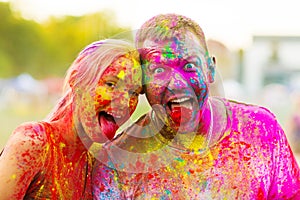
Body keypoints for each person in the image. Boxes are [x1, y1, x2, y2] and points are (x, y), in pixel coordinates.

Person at [93, 14, 300, 199]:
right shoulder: (116, 163)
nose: (176, 83)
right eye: (158, 71)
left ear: (210, 69)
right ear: (142, 82)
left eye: (189, 66)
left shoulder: (261, 130)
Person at [0, 39, 142, 199]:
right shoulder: (33, 142)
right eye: (111, 84)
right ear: (76, 80)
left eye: (134, 93)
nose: (123, 102)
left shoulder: (97, 163)